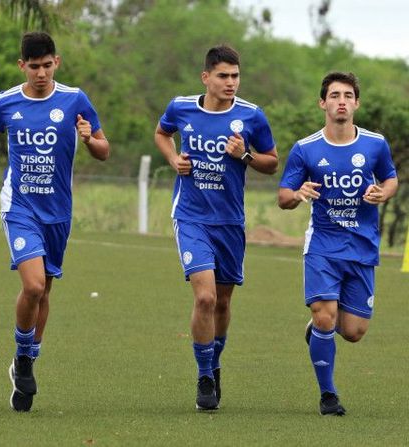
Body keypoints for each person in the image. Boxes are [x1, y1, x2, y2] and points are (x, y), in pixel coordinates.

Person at [0, 31, 110, 412]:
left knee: (45, 291)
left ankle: (27, 362)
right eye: (33, 67)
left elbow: (104, 150)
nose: (40, 73)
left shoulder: (74, 100)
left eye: (46, 65)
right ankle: (22, 356)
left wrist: (89, 139)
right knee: (33, 286)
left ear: (57, 63)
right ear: (22, 66)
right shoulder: (5, 102)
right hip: (19, 207)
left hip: (58, 211)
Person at [154, 45, 278, 411]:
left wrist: (245, 155)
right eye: (223, 76)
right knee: (205, 297)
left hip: (230, 222)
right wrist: (174, 157)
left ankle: (215, 362)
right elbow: (162, 134)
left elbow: (272, 163)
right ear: (206, 77)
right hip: (191, 217)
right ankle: (205, 375)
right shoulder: (182, 108)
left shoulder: (252, 116)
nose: (230, 83)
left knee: (223, 301)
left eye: (235, 76)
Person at [278, 72, 398, 416]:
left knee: (354, 331)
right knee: (325, 316)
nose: (341, 101)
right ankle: (328, 395)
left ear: (356, 103)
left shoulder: (375, 144)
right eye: (334, 95)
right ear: (323, 103)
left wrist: (383, 192)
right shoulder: (306, 148)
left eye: (347, 95)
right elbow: (284, 195)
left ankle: (317, 330)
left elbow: (390, 177)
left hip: (361, 246)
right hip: (323, 247)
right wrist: (298, 193)